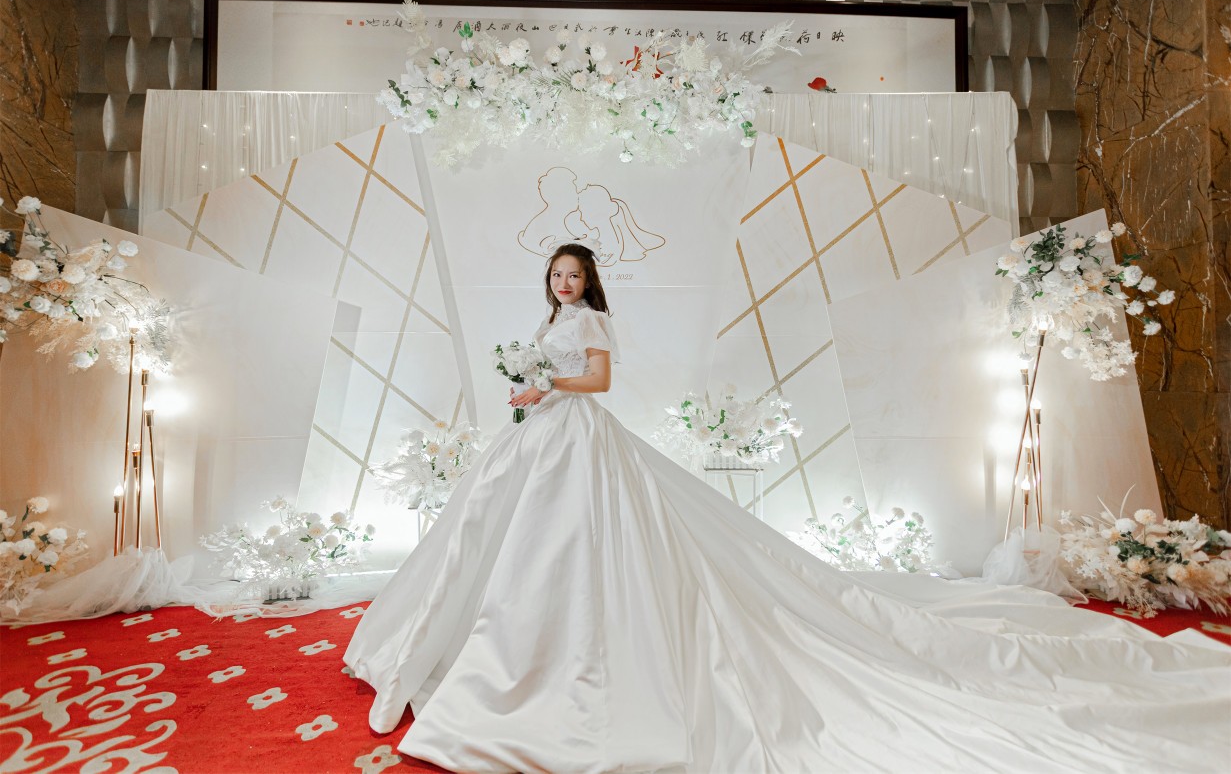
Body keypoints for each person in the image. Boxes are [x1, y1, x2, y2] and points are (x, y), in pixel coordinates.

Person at [343, 243, 1230, 773]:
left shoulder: (589, 327)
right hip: (539, 438)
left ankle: (565, 648)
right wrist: (531, 387)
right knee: (515, 540)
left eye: (573, 275)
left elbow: (601, 382)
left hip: (576, 437)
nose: (565, 283)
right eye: (556, 275)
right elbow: (552, 378)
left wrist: (547, 384)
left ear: (589, 282)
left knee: (581, 539)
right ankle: (508, 636)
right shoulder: (546, 324)